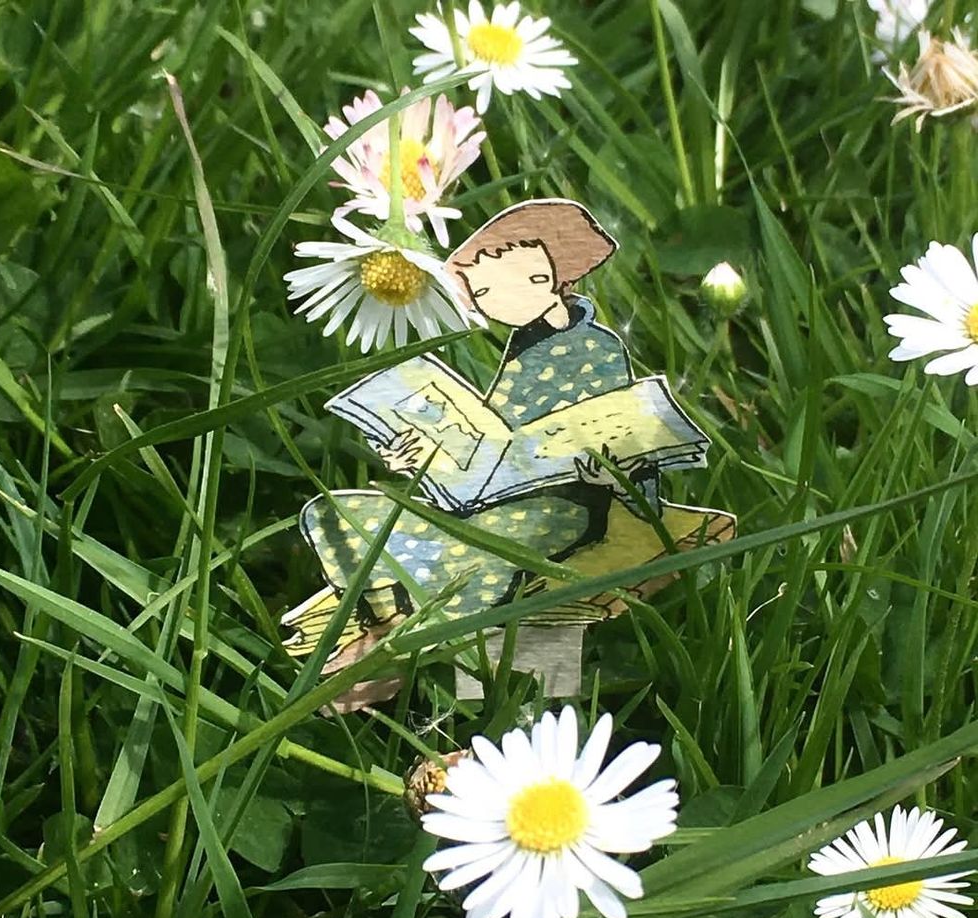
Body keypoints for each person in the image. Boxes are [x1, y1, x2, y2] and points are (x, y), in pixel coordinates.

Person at [283, 200, 734, 663]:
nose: (478, 303)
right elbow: (488, 450)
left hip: (567, 512)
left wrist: (615, 478)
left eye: (485, 290)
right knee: (333, 513)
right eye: (477, 291)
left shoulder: (597, 350)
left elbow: (633, 444)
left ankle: (411, 649)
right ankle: (390, 621)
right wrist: (419, 457)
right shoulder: (522, 349)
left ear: (541, 278)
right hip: (487, 504)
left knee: (483, 552)